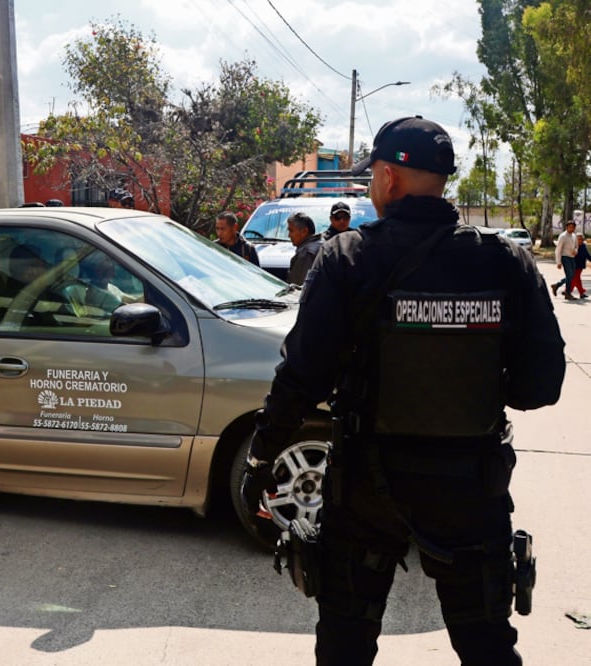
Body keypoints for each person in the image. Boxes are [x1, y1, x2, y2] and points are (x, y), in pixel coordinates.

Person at [240, 116, 565, 665]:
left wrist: (261, 457)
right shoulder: (504, 261)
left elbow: (302, 378)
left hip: (368, 487)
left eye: (372, 178)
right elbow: (541, 386)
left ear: (389, 178)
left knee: (347, 642)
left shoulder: (347, 257)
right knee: (487, 646)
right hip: (471, 489)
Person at [286, 212, 320, 284]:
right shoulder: (322, 245)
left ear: (304, 231)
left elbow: (298, 287)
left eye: (291, 231)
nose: (289, 235)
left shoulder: (305, 254)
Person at [551, 221, 578, 299]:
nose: (571, 229)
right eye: (570, 227)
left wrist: (576, 251)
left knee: (571, 276)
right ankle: (567, 293)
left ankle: (557, 285)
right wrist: (558, 262)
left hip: (572, 257)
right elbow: (558, 249)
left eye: (573, 227)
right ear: (566, 227)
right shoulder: (563, 236)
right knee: (569, 275)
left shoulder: (574, 236)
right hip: (565, 257)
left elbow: (576, 246)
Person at [570, 233, 589, 298]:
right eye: (578, 239)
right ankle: (580, 292)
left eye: (581, 239)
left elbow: (587, 255)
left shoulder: (583, 246)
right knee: (576, 278)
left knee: (575, 279)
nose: (580, 240)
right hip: (574, 265)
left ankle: (568, 291)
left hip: (580, 265)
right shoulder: (573, 246)